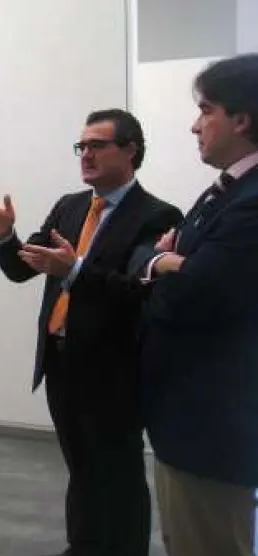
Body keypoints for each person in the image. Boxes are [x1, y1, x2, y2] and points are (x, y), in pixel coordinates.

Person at [0, 109, 182, 556]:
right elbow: (23, 268)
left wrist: (74, 271)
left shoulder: (157, 216)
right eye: (81, 146)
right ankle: (85, 546)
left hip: (114, 370)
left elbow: (139, 292)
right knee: (83, 469)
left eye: (97, 145)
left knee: (119, 475)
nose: (85, 154)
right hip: (61, 362)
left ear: (129, 151)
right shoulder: (70, 207)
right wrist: (6, 237)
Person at [136, 53, 258, 556]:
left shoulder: (251, 201)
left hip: (213, 426)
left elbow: (194, 294)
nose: (194, 125)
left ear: (241, 119)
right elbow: (156, 261)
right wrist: (164, 262)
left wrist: (162, 266)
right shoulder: (224, 192)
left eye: (206, 110)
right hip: (186, 418)